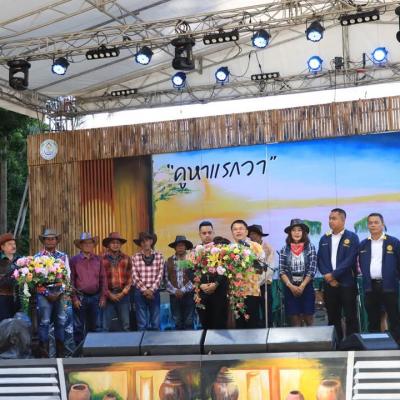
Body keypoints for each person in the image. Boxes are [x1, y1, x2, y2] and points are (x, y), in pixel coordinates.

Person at [317, 209, 359, 342]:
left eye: (334, 218)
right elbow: (320, 260)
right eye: (329, 218)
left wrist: (333, 275)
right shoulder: (324, 238)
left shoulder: (352, 237)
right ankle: (336, 343)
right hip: (330, 284)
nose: (330, 221)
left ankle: (353, 342)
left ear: (343, 220)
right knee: (333, 315)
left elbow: (350, 259)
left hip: (347, 283)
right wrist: (328, 277)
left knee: (350, 315)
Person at [358, 213, 400, 343]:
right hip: (370, 286)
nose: (373, 225)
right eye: (370, 223)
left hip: (389, 285)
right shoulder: (363, 244)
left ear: (382, 224)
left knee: (394, 317)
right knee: (372, 318)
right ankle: (374, 344)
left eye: (376, 222)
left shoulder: (393, 242)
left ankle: (396, 344)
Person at [34, 228, 70, 358]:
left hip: (59, 292)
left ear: (56, 241)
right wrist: (46, 293)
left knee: (60, 321)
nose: (50, 241)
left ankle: (60, 354)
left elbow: (68, 276)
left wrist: (60, 293)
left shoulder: (63, 256)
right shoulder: (37, 257)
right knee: (44, 322)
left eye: (52, 239)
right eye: (47, 239)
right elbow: (34, 279)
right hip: (44, 293)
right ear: (43, 241)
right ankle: (44, 354)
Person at [70, 232, 107, 346]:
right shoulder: (74, 260)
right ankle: (79, 351)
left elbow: (103, 278)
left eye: (90, 243)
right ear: (80, 245)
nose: (88, 245)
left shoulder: (98, 260)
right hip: (80, 297)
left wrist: (103, 297)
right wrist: (74, 298)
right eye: (85, 243)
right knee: (79, 326)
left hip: (96, 297)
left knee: (96, 326)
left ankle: (94, 349)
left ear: (93, 245)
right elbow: (70, 280)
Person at [279, 219, 317, 327]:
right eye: (294, 230)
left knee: (308, 317)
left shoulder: (310, 247)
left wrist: (302, 286)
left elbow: (312, 269)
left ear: (303, 232)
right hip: (290, 287)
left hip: (306, 286)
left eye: (299, 230)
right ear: (290, 233)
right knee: (294, 318)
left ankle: (311, 338)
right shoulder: (284, 249)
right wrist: (291, 286)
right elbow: (281, 271)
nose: (296, 233)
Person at [231, 219, 266, 329]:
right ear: (232, 232)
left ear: (246, 232)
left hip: (252, 290)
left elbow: (261, 267)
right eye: (235, 229)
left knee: (252, 323)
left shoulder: (255, 246)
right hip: (235, 292)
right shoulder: (229, 248)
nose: (238, 231)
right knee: (239, 324)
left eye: (241, 229)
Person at [196, 221, 228, 329]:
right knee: (205, 326)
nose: (207, 235)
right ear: (200, 234)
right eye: (204, 233)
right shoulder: (195, 251)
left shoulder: (221, 250)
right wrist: (200, 285)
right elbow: (190, 271)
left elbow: (226, 269)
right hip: (202, 295)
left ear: (213, 233)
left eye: (209, 232)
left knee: (220, 326)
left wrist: (216, 284)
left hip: (219, 294)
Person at [132, 232, 164, 331]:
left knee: (156, 323)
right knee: (142, 324)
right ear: (140, 244)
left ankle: (156, 340)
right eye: (142, 241)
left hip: (154, 292)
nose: (145, 243)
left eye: (147, 240)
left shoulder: (159, 256)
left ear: (151, 241)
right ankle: (142, 340)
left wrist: (151, 290)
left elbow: (160, 275)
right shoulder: (135, 257)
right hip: (140, 292)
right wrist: (145, 290)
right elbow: (134, 276)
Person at [101, 232, 132, 332]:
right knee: (105, 326)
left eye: (118, 243)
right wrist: (109, 294)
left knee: (126, 326)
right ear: (108, 244)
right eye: (113, 242)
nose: (116, 245)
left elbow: (130, 278)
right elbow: (100, 279)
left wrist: (123, 293)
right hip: (107, 295)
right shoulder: (101, 259)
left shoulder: (126, 258)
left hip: (123, 295)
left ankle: (127, 343)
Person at [165, 235, 195, 330]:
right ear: (175, 247)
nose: (180, 247)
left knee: (189, 321)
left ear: (186, 247)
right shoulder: (169, 260)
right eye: (178, 245)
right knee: (177, 321)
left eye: (182, 245)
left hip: (189, 295)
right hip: (174, 296)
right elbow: (165, 279)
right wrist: (175, 291)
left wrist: (183, 290)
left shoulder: (191, 260)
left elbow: (195, 278)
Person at [248, 224, 274, 327]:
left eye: (255, 234)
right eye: (251, 234)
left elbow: (270, 269)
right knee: (253, 312)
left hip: (264, 285)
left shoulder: (268, 248)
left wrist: (257, 282)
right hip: (251, 286)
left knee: (267, 311)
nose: (252, 236)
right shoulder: (247, 248)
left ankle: (268, 330)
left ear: (260, 235)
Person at [0, 233, 18, 322]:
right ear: (2, 247)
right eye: (10, 244)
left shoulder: (20, 260)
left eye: (14, 244)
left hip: (18, 298)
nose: (13, 246)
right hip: (3, 298)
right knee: (4, 324)